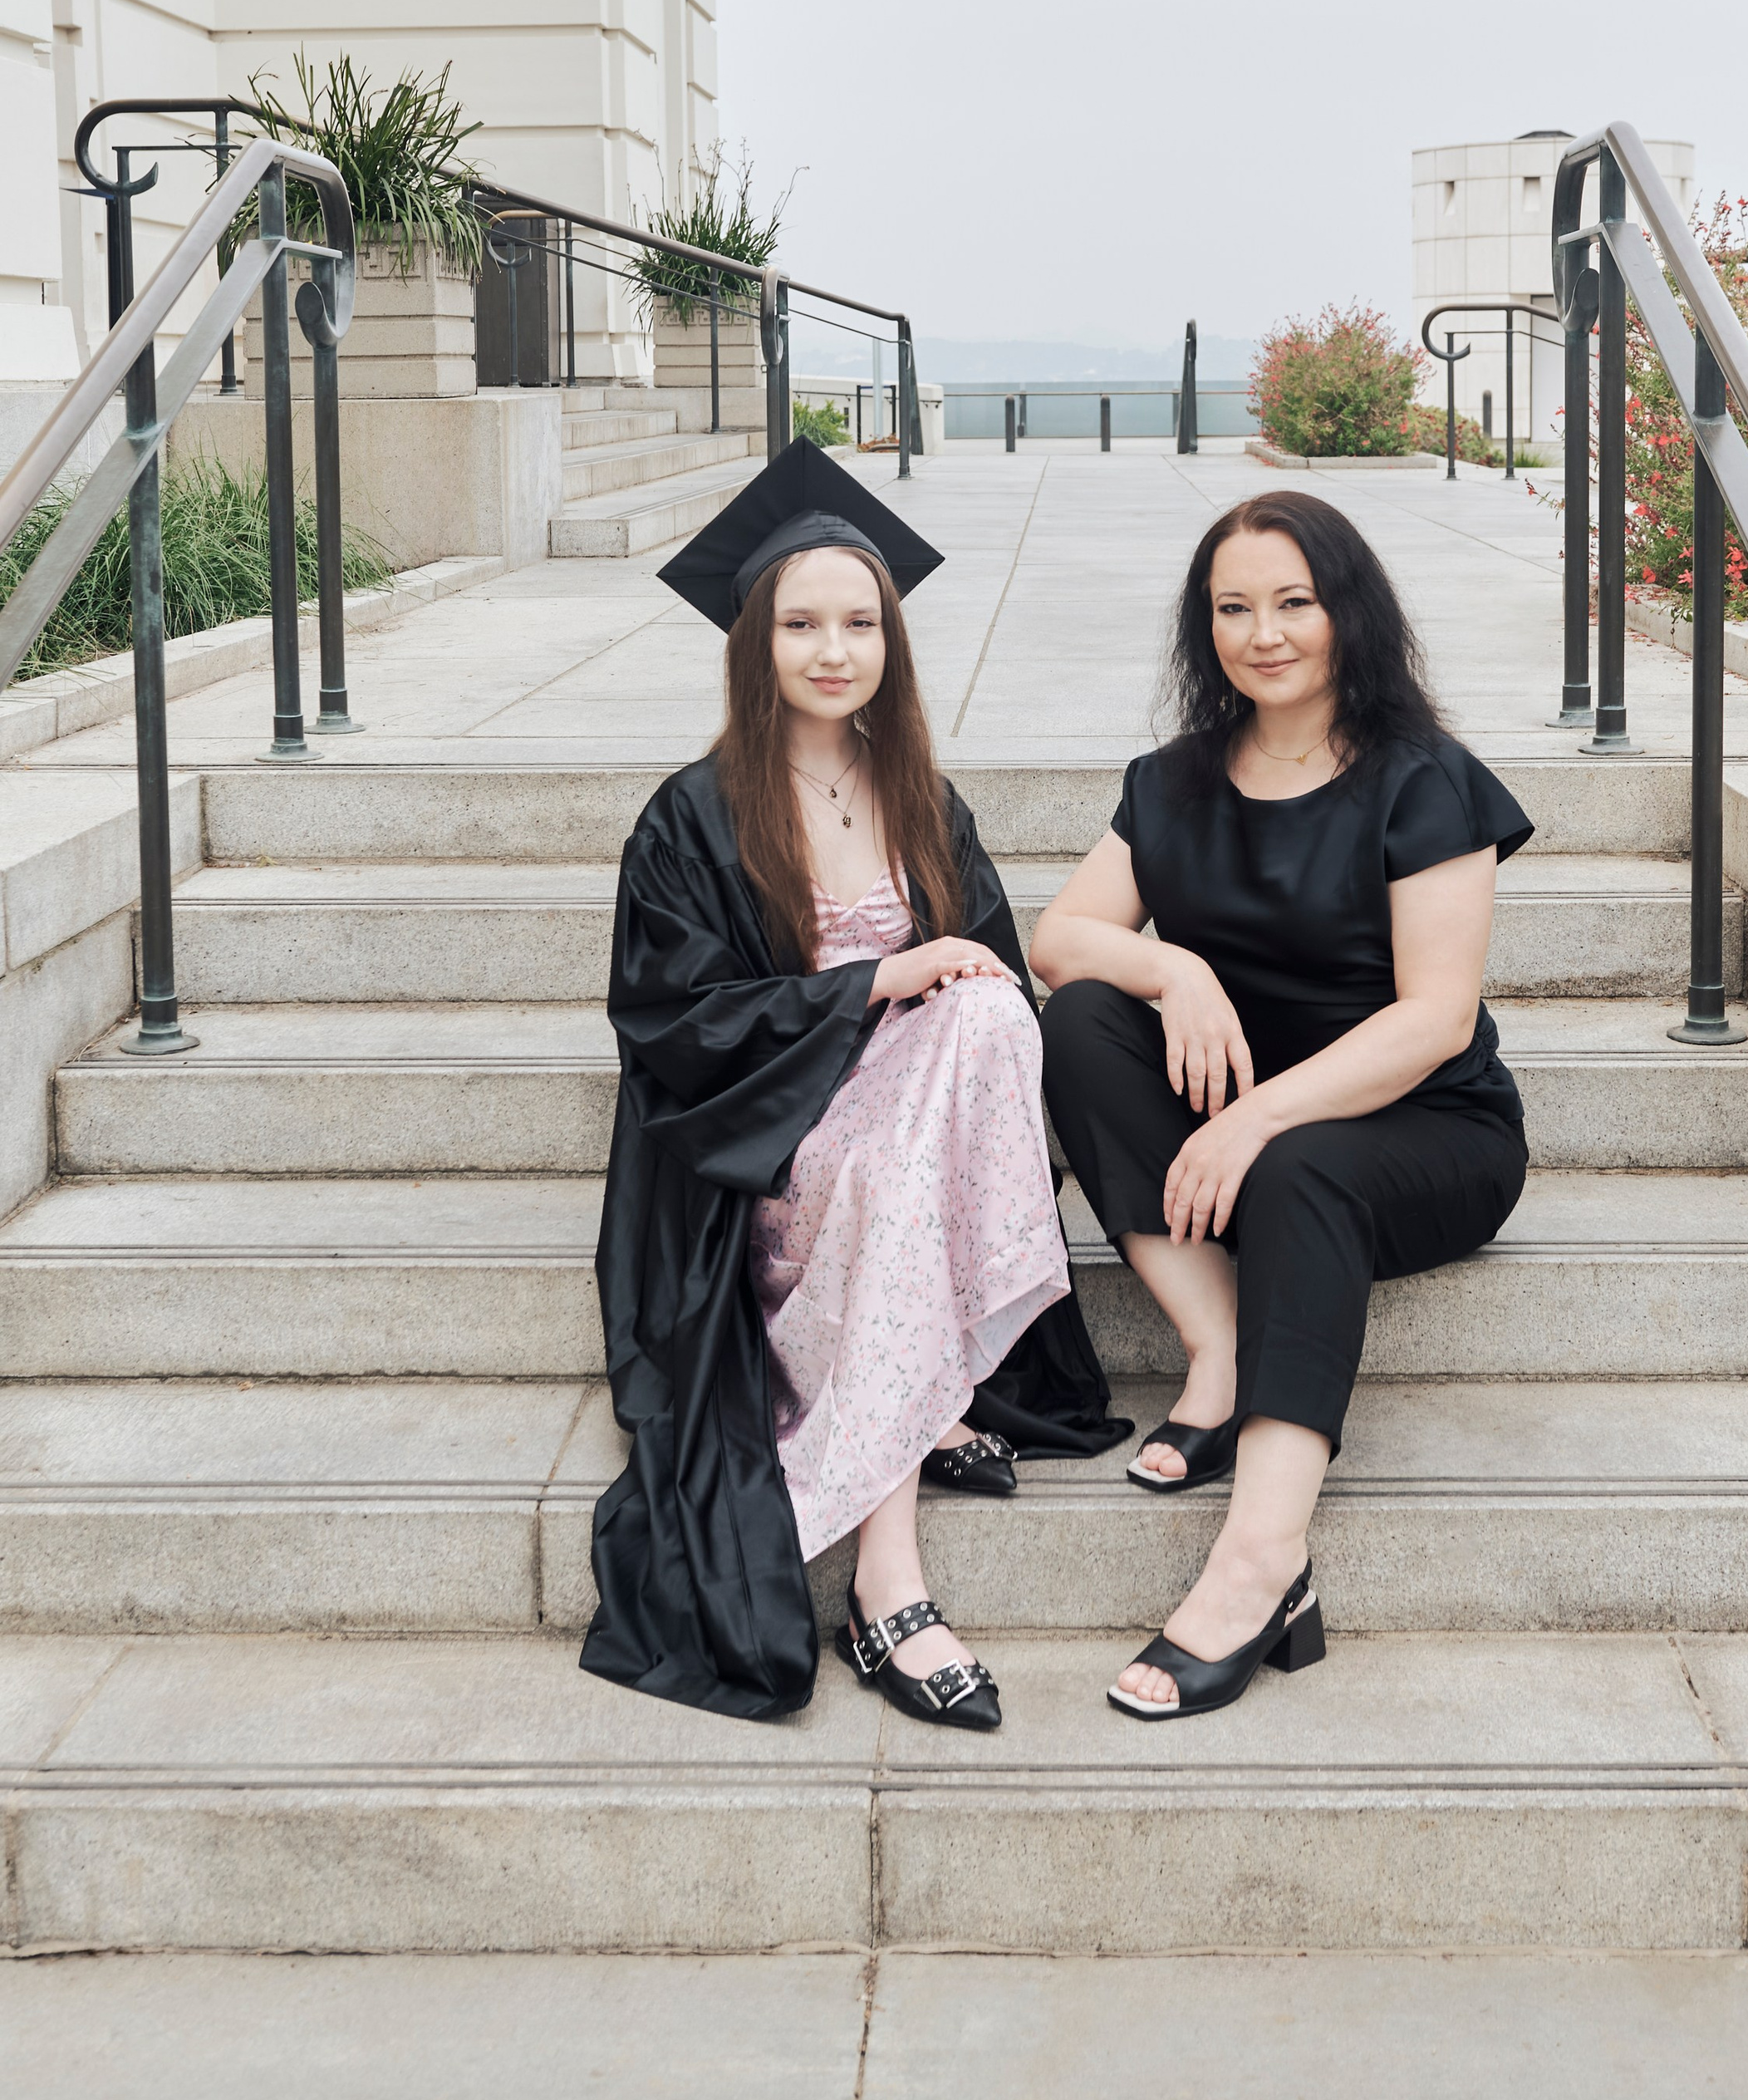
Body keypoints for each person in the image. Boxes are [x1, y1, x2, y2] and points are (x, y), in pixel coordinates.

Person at [581, 436, 1126, 1732]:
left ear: (892, 639)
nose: (835, 650)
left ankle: (906, 1448)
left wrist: (943, 990)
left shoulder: (920, 797)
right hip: (768, 1146)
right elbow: (673, 1028)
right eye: (801, 624)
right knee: (903, 1127)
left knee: (992, 1010)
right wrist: (874, 983)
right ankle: (891, 1577)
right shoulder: (692, 817)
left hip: (911, 1146)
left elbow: (993, 1004)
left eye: (860, 623)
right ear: (753, 643)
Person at [1031, 489, 1532, 1721]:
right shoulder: (1172, 782)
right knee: (1081, 1020)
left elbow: (1436, 1019)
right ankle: (1218, 1346)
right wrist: (1175, 971)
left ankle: (1262, 1563)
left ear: (1347, 612)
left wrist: (1255, 1122)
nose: (1264, 635)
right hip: (1243, 1114)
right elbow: (1060, 937)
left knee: (1305, 1165)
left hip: (1423, 1130)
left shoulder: (1426, 782)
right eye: (1233, 608)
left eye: (1295, 602)